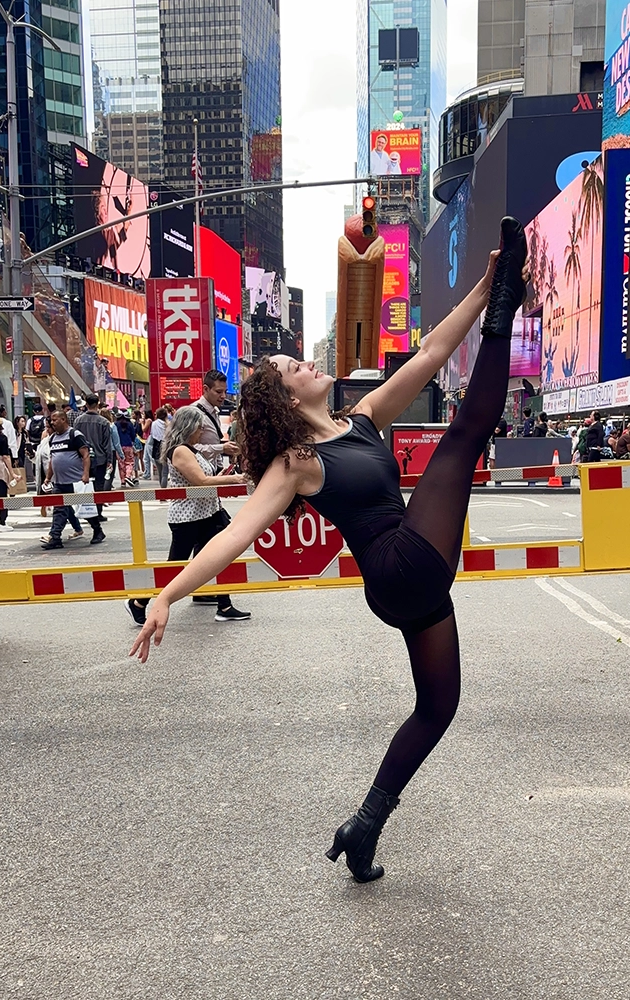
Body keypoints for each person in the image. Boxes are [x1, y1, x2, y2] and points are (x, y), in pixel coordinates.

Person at [129, 218, 530, 885]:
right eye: (298, 368)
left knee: (438, 706)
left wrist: (484, 287)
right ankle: (510, 308)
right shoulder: (298, 462)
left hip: (412, 578)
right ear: (289, 396)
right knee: (462, 437)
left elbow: (430, 352)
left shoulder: (365, 418)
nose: (312, 365)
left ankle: (364, 827)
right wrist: (169, 594)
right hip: (401, 567)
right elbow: (236, 532)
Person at [125, 407, 252, 627]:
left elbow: (203, 478)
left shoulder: (191, 449)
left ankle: (224, 605)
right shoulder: (181, 450)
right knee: (175, 567)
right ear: (189, 426)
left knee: (216, 559)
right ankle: (138, 602)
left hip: (206, 514)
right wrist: (235, 479)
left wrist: (221, 476)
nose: (202, 429)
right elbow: (200, 481)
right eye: (199, 425)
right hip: (188, 518)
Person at [41, 409, 94, 550]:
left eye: (55, 420)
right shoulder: (53, 439)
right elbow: (53, 459)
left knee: (83, 508)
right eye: (51, 420)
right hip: (59, 482)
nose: (52, 423)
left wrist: (85, 474)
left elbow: (85, 455)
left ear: (63, 419)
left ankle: (97, 529)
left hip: (75, 481)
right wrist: (48, 477)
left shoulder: (74, 435)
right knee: (60, 508)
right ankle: (55, 537)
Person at [73, 393, 114, 538]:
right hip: (100, 458)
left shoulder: (78, 421)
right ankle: (98, 512)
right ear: (97, 404)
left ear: (86, 404)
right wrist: (110, 459)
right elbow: (106, 443)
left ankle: (85, 511)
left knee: (83, 487)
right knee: (98, 487)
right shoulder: (103, 422)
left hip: (82, 459)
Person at [193, 370, 241, 471]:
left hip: (211, 474)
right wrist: (222, 448)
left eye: (225, 392)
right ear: (206, 389)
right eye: (219, 392)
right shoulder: (193, 413)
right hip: (197, 476)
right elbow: (187, 449)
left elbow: (214, 448)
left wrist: (221, 469)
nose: (223, 396)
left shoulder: (214, 411)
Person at [115, 411, 138, 487]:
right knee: (130, 462)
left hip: (119, 446)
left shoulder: (115, 424)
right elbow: (133, 436)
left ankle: (122, 481)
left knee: (121, 463)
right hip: (128, 445)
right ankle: (128, 476)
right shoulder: (130, 424)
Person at [150, 407, 168, 487]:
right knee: (165, 473)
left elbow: (152, 435)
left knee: (160, 472)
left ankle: (161, 494)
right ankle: (164, 492)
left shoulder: (153, 424)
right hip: (165, 448)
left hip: (156, 448)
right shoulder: (167, 424)